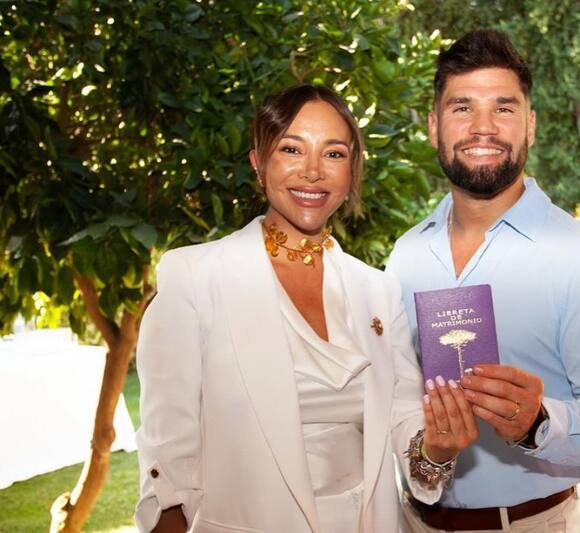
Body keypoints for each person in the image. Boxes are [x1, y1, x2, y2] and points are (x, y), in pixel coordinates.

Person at [134, 84, 478, 533]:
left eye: (334, 154)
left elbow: (404, 423)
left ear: (352, 169)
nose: (313, 172)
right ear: (258, 163)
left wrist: (437, 447)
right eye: (292, 149)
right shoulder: (195, 277)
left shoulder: (377, 290)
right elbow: (167, 455)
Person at [386, 30, 580, 532]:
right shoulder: (406, 256)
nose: (482, 127)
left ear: (530, 125)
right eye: (462, 107)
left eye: (503, 109)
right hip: (411, 521)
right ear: (433, 126)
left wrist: (540, 422)